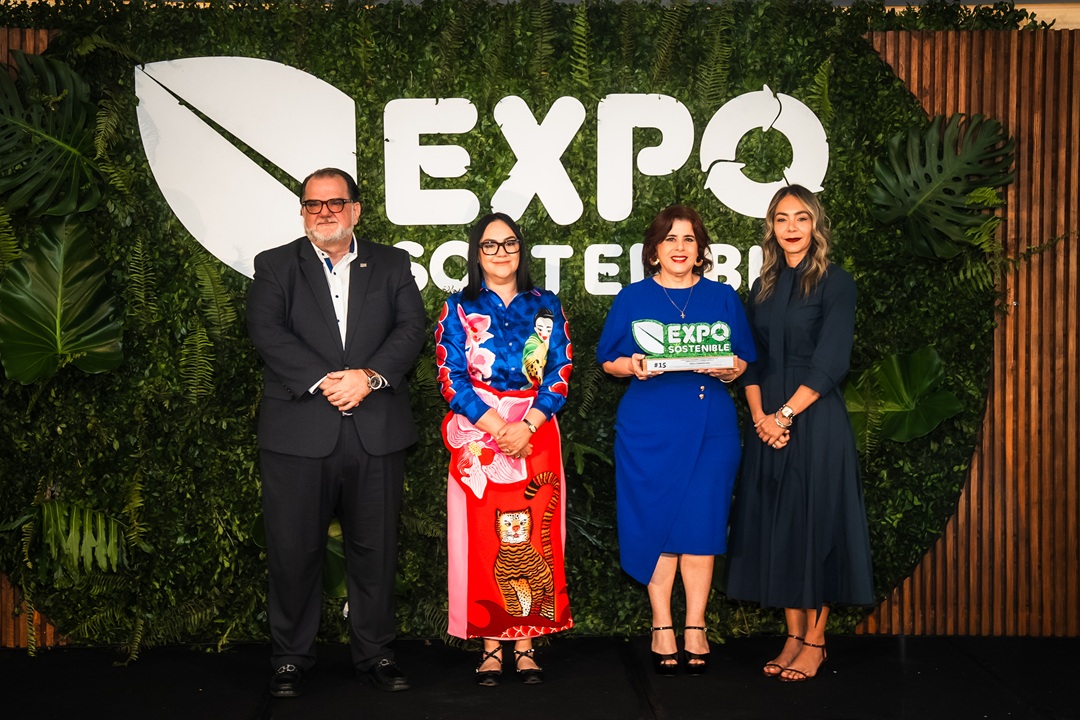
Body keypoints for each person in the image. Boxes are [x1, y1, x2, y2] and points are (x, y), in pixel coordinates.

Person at [247, 167, 427, 697]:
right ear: (303, 211)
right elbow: (266, 330)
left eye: (335, 202)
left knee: (376, 551)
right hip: (298, 434)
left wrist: (367, 378)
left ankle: (377, 654)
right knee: (293, 550)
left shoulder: (392, 263)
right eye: (313, 204)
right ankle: (290, 658)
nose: (324, 212)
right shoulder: (275, 265)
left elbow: (411, 328)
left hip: (376, 432)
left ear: (356, 209)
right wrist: (327, 380)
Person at [596, 205, 756, 676]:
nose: (680, 247)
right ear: (654, 251)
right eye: (670, 239)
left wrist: (730, 369)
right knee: (658, 525)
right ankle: (662, 623)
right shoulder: (632, 298)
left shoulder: (723, 297)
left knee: (702, 526)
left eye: (689, 239)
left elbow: (744, 359)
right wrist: (633, 365)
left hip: (711, 430)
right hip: (648, 430)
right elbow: (607, 360)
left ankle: (696, 625)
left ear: (701, 251)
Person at [725, 184, 874, 682]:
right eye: (782, 218)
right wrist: (760, 418)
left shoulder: (836, 283)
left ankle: (816, 640)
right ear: (771, 227)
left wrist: (784, 415)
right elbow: (749, 359)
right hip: (768, 420)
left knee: (819, 523)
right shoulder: (762, 286)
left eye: (801, 218)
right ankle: (792, 635)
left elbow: (832, 360)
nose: (791, 227)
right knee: (779, 524)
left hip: (815, 418)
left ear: (815, 225)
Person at [435, 212, 574, 686]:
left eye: (509, 243)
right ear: (477, 253)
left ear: (520, 250)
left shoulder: (547, 305)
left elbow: (560, 371)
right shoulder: (458, 307)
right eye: (490, 245)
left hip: (537, 432)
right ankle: (490, 646)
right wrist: (498, 427)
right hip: (480, 437)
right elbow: (451, 378)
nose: (501, 252)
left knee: (533, 536)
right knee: (483, 538)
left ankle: (527, 644)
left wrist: (528, 423)